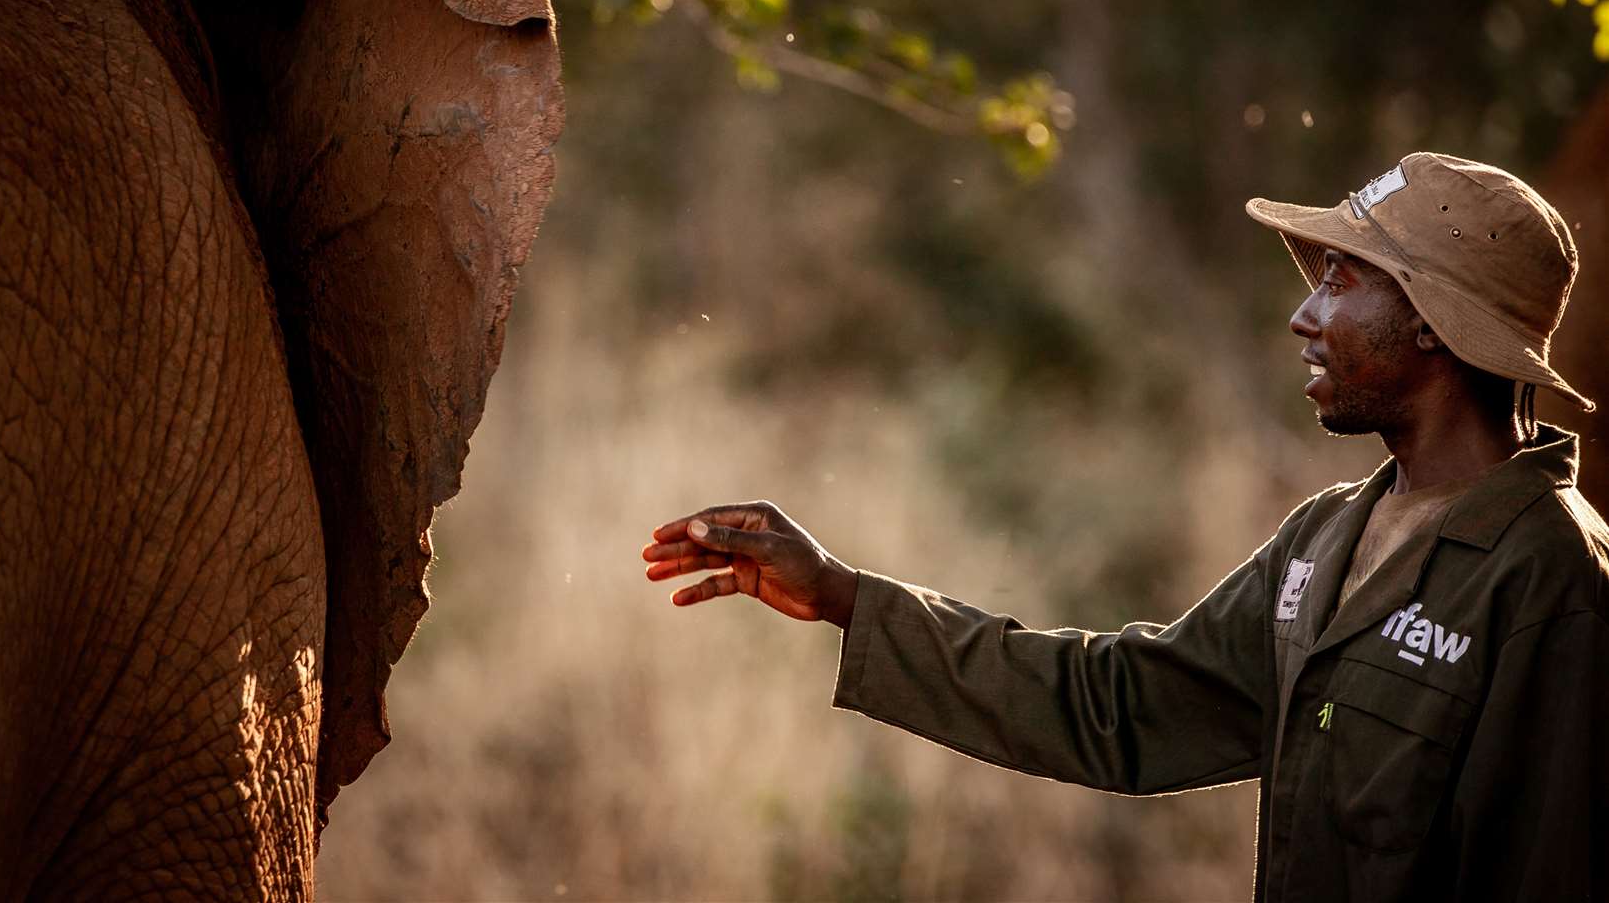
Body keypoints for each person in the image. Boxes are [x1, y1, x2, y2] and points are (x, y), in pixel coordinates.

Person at [642, 151, 1607, 902]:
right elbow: (1119, 707)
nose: (1304, 315)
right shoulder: (1325, 541)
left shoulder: (1550, 579)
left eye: (1342, 281)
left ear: (1434, 321)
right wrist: (846, 599)